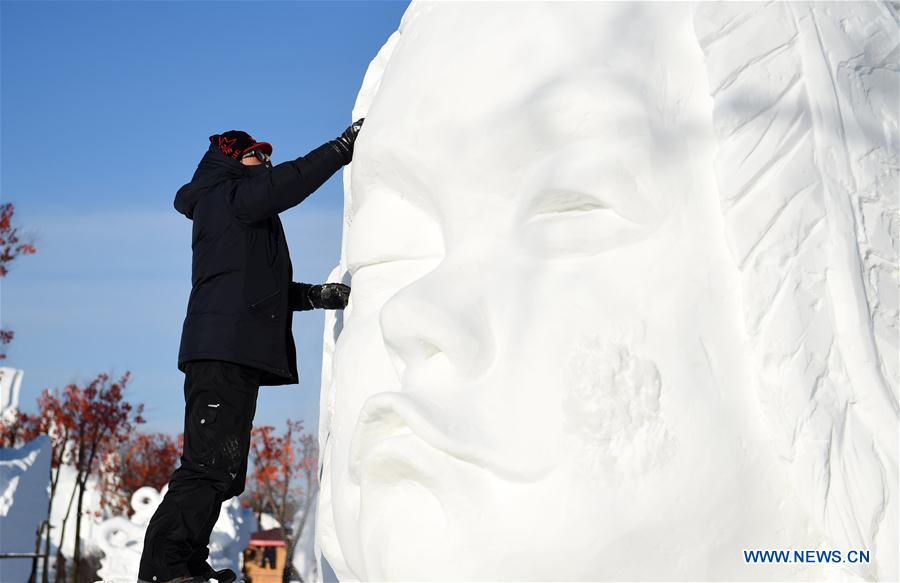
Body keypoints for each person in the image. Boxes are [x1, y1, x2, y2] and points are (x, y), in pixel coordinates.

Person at [138, 120, 363, 583]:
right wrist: (341, 148)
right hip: (220, 352)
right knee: (208, 464)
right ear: (230, 159)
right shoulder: (227, 197)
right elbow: (291, 182)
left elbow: (257, 289)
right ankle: (163, 568)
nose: (266, 162)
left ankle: (184, 563)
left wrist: (313, 297)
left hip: (232, 352)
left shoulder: (236, 209)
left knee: (224, 470)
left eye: (266, 156)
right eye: (257, 156)